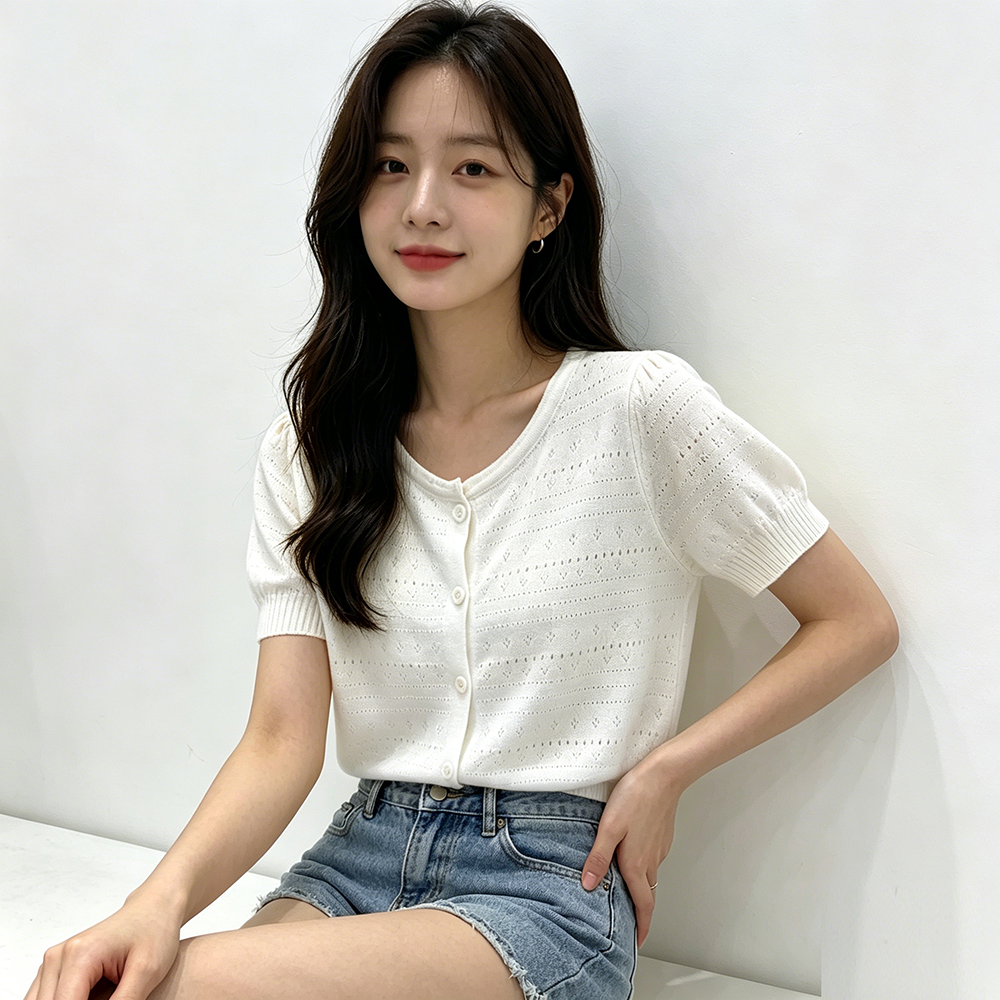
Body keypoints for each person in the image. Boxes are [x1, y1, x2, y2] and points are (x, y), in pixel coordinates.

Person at [24, 2, 899, 999]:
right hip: (360, 855)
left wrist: (665, 771)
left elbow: (854, 620)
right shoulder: (313, 448)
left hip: (546, 883)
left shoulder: (638, 411)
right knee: (123, 980)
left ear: (549, 206)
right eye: (390, 165)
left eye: (473, 168)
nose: (423, 206)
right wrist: (154, 903)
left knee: (188, 990)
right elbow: (279, 738)